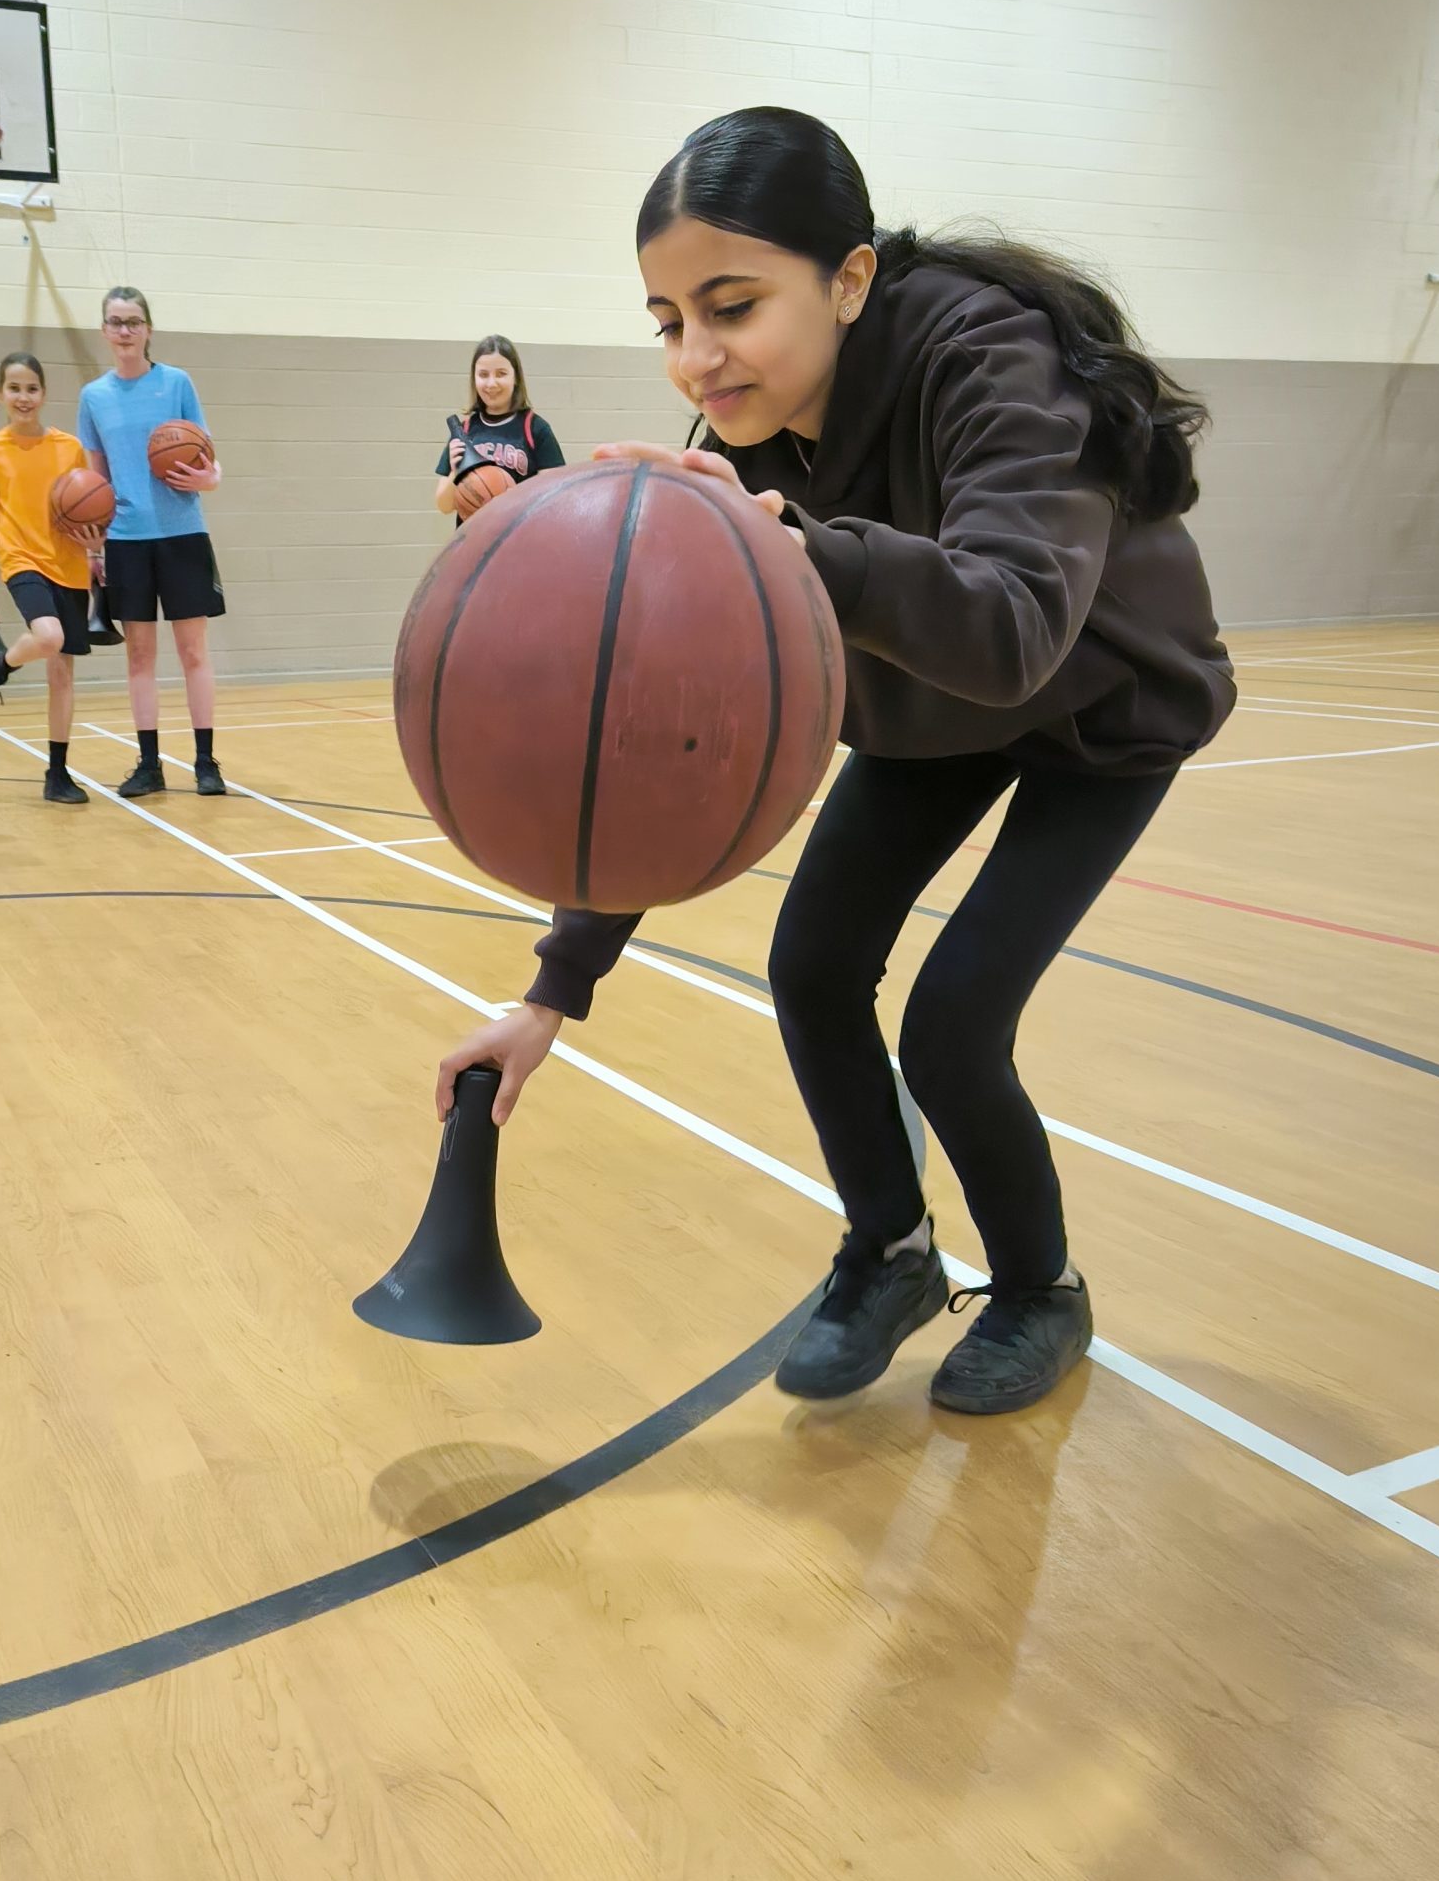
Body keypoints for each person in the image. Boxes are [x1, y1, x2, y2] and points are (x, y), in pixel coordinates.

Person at [437, 107, 1236, 1418]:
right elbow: (659, 744)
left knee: (954, 1024)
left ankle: (1041, 1289)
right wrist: (551, 991)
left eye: (732, 307)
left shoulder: (990, 351)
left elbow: (1015, 626)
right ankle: (892, 1250)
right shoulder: (739, 447)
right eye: (668, 321)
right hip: (935, 710)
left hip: (1102, 712)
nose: (696, 357)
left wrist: (797, 549)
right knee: (811, 967)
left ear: (850, 278)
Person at [77, 286, 227, 797]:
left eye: (133, 321)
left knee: (193, 652)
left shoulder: (176, 382)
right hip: (125, 539)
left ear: (148, 329)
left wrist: (211, 479)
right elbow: (95, 477)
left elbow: (209, 459)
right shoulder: (93, 397)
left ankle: (206, 762)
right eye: (116, 322)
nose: (125, 331)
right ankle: (149, 765)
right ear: (104, 330)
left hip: (182, 532)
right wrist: (94, 549)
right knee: (139, 656)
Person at [0, 352, 95, 804]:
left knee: (62, 674)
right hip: (22, 561)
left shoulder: (69, 448)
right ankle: (1, 667)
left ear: (44, 394)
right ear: (0, 394)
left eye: (31, 388)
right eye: (14, 388)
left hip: (70, 564)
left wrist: (96, 543)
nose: (23, 397)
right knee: (50, 637)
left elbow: (85, 507)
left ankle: (57, 774)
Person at [433, 335, 566, 520]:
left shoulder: (536, 429)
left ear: (515, 377)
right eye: (483, 375)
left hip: (517, 534)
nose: (491, 383)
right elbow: (444, 506)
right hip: (473, 535)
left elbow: (556, 496)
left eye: (501, 374)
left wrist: (514, 499)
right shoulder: (464, 431)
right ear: (474, 379)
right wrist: (455, 473)